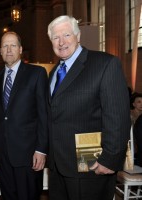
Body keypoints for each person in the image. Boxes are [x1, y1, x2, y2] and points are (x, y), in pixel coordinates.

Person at [47, 15, 130, 200]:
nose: (61, 42)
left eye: (67, 35)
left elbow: (117, 117)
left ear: (78, 35)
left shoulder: (105, 64)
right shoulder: (54, 73)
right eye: (55, 37)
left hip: (91, 163)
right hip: (57, 166)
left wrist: (109, 159)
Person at [0, 31, 48, 200]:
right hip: (2, 155)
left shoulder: (37, 74)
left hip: (29, 154)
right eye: (5, 46)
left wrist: (41, 149)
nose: (9, 49)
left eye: (13, 45)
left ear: (21, 49)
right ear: (0, 51)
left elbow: (43, 113)